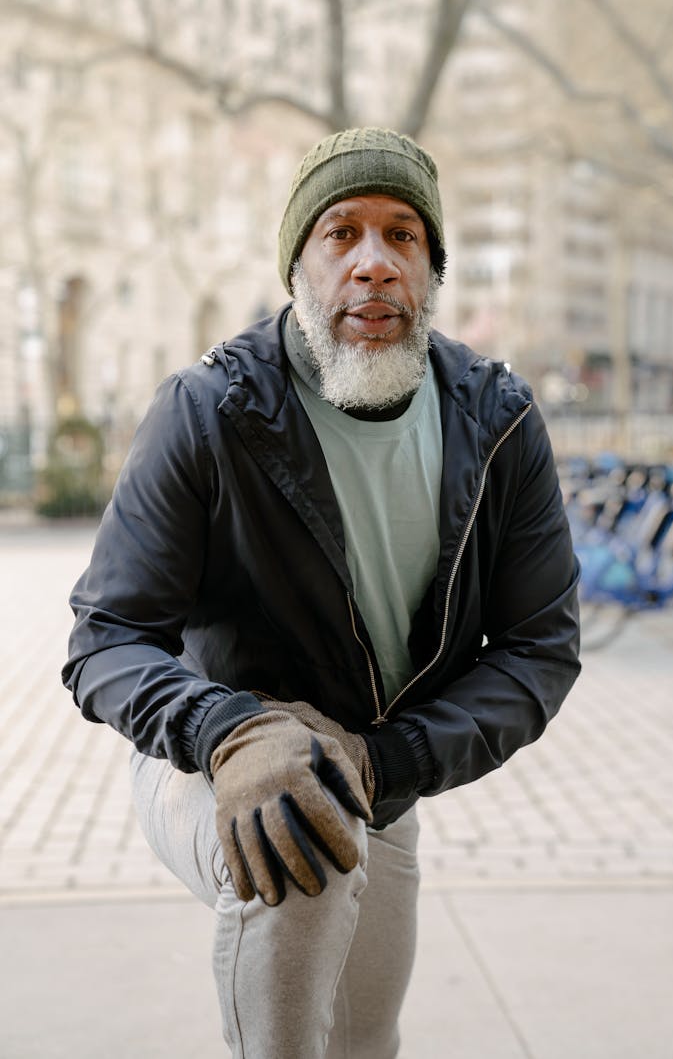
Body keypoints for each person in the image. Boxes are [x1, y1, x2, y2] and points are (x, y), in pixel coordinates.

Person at [63, 127, 581, 1058]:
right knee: (296, 833)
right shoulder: (208, 409)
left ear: (431, 270)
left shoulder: (499, 421)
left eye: (402, 237)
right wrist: (231, 732)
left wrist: (386, 763)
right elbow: (105, 635)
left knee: (364, 1035)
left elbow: (542, 648)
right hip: (204, 756)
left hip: (383, 770)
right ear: (298, 264)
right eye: (341, 234)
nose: (374, 264)